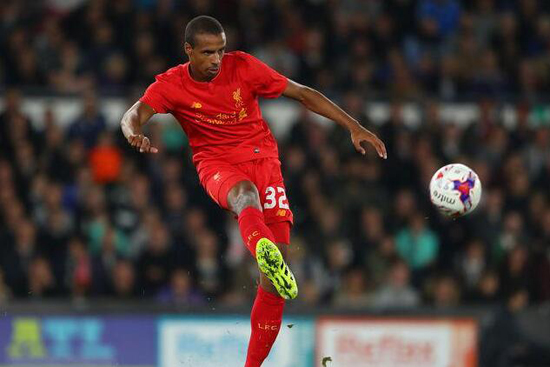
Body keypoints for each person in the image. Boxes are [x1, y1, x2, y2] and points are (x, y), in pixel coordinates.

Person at [120, 15, 386, 367]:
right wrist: (132, 133)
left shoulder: (243, 67)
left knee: (275, 283)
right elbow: (134, 113)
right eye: (208, 52)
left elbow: (303, 94)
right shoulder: (171, 84)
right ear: (189, 51)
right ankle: (262, 248)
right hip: (216, 163)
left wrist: (354, 126)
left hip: (265, 161)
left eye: (221, 50)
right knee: (245, 194)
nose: (216, 59)